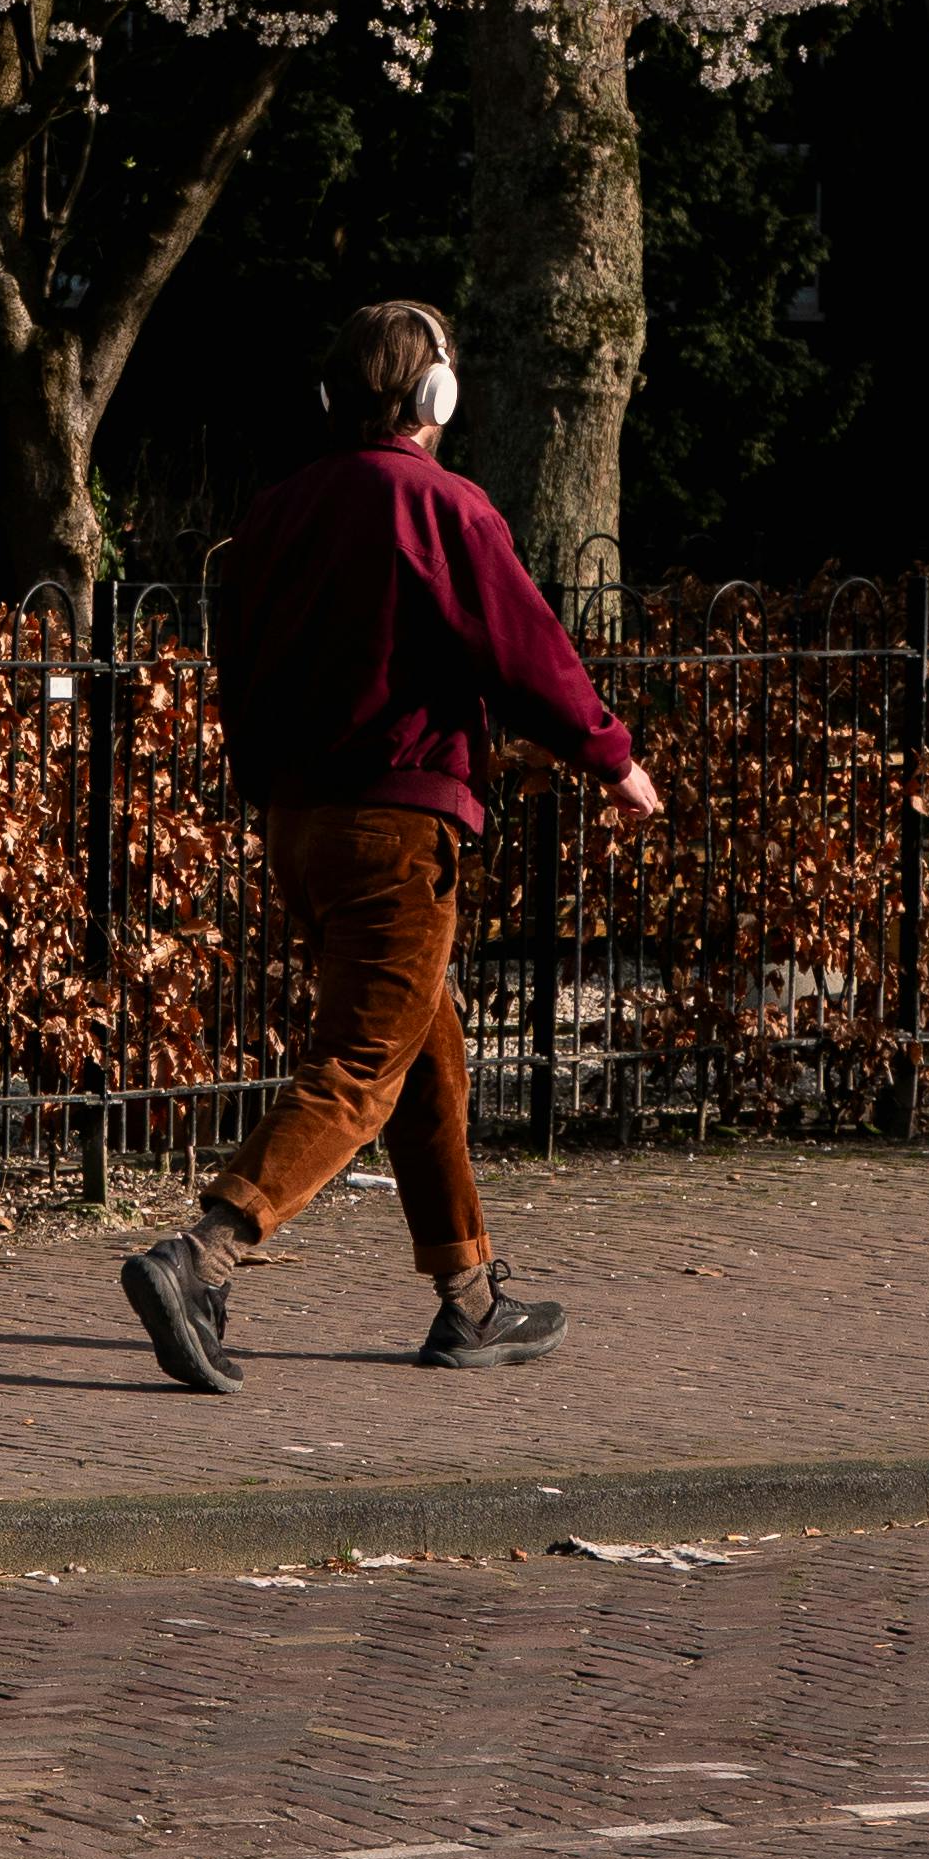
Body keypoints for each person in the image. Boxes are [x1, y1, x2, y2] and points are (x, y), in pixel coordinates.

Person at [121, 296, 661, 1394]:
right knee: (365, 1062)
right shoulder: (440, 506)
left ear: (332, 397)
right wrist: (612, 756)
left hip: (298, 823)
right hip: (398, 821)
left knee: (427, 1049)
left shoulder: (275, 512)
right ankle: (203, 1252)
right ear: (435, 396)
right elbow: (527, 651)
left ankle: (467, 1299)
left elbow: (242, 671)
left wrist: (267, 792)